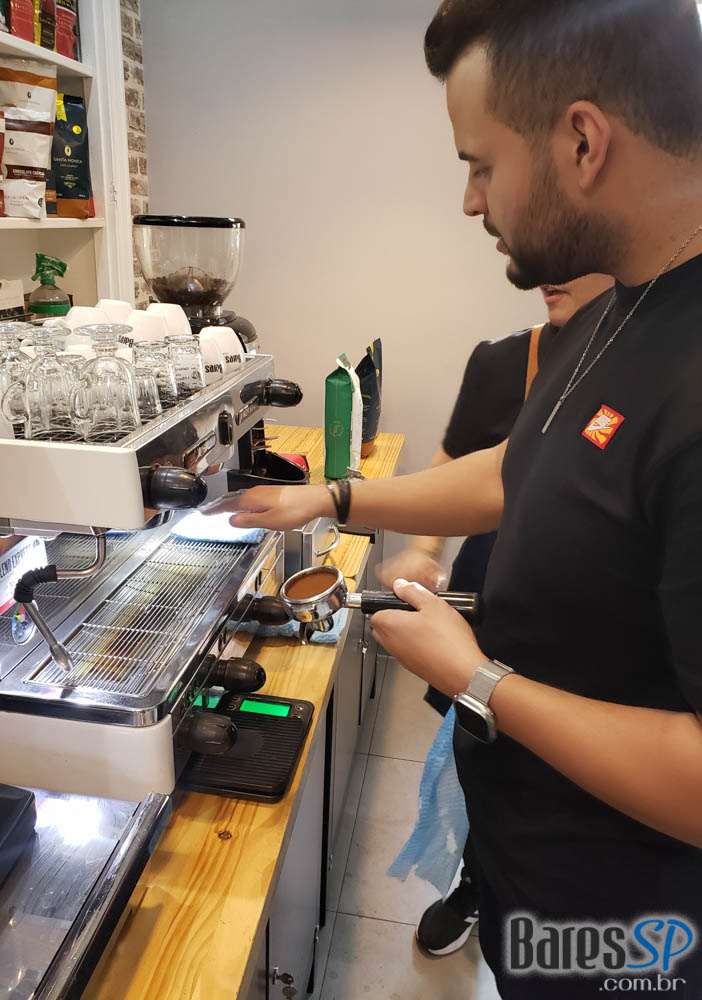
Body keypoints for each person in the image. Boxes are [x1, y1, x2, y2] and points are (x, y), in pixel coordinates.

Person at [221, 1, 702, 995]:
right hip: (536, 878)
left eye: (480, 165)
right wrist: (335, 499)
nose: (470, 203)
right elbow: (519, 469)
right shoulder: (620, 306)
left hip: (637, 938)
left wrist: (478, 679)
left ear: (582, 141)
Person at [378, 273, 614, 959]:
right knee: (486, 751)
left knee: (573, 770)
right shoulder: (505, 359)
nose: (545, 270)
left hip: (592, 633)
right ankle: (479, 881)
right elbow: (464, 471)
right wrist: (422, 548)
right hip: (495, 601)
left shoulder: (655, 366)